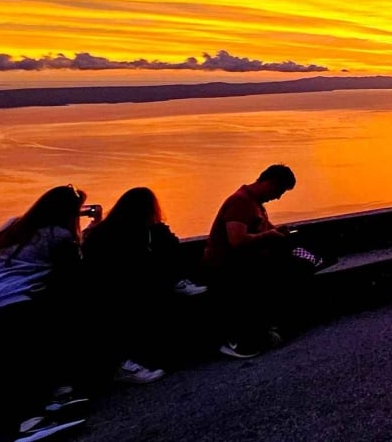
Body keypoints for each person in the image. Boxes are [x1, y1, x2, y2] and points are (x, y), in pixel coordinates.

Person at [0, 185, 96, 440]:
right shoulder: (60, 236)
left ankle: (18, 420)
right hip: (14, 306)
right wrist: (90, 231)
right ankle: (31, 421)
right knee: (43, 343)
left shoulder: (10, 227)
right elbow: (74, 280)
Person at [82, 186, 206, 386]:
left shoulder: (101, 232)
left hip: (107, 292)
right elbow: (143, 266)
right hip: (128, 293)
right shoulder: (137, 234)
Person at [202, 164, 307, 358]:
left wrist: (277, 231)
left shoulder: (255, 204)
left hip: (243, 263)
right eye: (279, 191)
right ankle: (237, 339)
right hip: (225, 267)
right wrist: (270, 236)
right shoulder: (240, 202)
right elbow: (237, 240)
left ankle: (269, 328)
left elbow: (262, 231)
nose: (278, 197)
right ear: (270, 183)